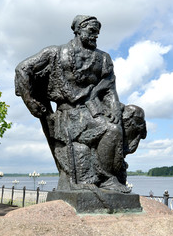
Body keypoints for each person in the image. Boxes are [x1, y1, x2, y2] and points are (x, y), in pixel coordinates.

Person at [15, 15, 146, 193]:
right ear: (78, 30)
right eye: (91, 31)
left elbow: (110, 88)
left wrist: (114, 108)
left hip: (95, 108)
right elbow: (22, 69)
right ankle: (107, 178)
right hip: (70, 114)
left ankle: (114, 170)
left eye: (97, 33)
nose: (95, 36)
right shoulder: (55, 53)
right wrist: (29, 101)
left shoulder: (104, 58)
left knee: (135, 115)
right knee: (112, 130)